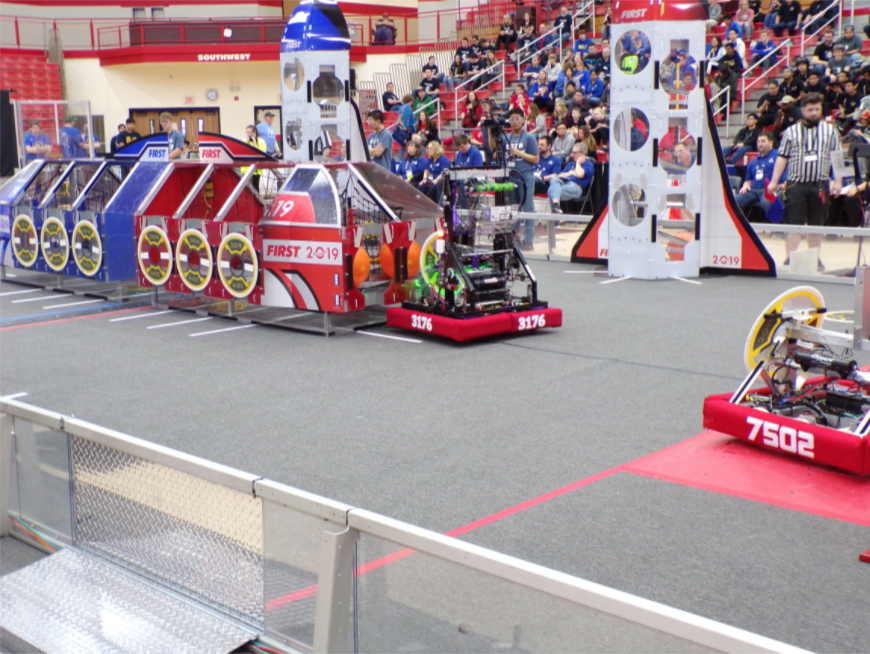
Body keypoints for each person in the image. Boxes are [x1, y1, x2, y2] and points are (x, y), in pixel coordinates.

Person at [767, 93, 842, 268]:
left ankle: (814, 257)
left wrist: (838, 181)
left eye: (817, 109)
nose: (814, 113)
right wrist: (774, 181)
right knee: (794, 223)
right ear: (802, 111)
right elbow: (782, 157)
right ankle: (790, 257)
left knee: (816, 224)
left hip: (820, 184)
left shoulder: (831, 130)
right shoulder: (791, 131)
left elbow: (838, 157)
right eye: (810, 110)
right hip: (796, 185)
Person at [498, 107, 539, 249]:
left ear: (523, 120)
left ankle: (528, 239)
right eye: (511, 119)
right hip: (510, 176)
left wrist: (518, 153)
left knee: (528, 208)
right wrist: (491, 133)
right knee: (513, 209)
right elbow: (494, 150)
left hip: (525, 175)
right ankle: (514, 238)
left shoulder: (529, 137)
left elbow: (535, 159)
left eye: (517, 118)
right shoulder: (506, 137)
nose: (514, 121)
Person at [736, 133, 780, 217]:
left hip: (769, 189)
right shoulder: (753, 162)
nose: (760, 144)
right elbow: (748, 180)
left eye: (763, 141)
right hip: (753, 190)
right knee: (735, 201)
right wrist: (746, 185)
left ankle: (778, 223)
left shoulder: (778, 155)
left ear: (771, 143)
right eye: (758, 141)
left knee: (767, 201)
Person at [548, 142, 594, 213]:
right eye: (572, 152)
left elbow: (580, 175)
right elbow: (560, 175)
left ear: (583, 153)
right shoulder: (570, 164)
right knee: (554, 179)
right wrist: (571, 172)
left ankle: (556, 213)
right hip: (564, 184)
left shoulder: (588, 165)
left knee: (551, 191)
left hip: (575, 187)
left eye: (575, 153)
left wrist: (578, 163)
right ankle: (556, 205)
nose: (572, 155)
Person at [242, 125, 267, 193]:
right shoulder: (244, 141)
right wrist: (247, 143)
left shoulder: (261, 141)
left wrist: (254, 144)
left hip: (256, 169)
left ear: (254, 132)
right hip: (245, 168)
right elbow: (242, 152)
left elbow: (261, 154)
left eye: (250, 132)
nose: (248, 134)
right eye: (247, 132)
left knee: (255, 187)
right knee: (245, 189)